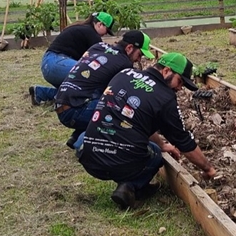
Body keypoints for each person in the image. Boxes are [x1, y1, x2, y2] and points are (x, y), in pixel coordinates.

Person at [74, 52, 217, 209]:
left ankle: (124, 182)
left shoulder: (124, 73)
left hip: (89, 156)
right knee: (155, 154)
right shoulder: (165, 98)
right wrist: (208, 168)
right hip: (120, 162)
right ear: (167, 71)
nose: (180, 88)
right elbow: (183, 141)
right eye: (180, 81)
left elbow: (137, 124)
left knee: (84, 136)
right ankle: (131, 185)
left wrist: (163, 145)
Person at [54, 30, 155, 148]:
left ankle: (77, 136)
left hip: (61, 103)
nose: (138, 59)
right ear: (129, 48)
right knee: (121, 112)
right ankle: (83, 143)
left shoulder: (99, 46)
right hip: (75, 110)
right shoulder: (124, 64)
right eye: (139, 55)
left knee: (101, 94)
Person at [29, 12, 115, 105]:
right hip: (57, 63)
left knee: (73, 92)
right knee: (91, 78)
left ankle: (40, 93)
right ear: (100, 24)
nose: (106, 34)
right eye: (107, 30)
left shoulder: (81, 28)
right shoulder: (91, 33)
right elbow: (103, 59)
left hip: (49, 63)